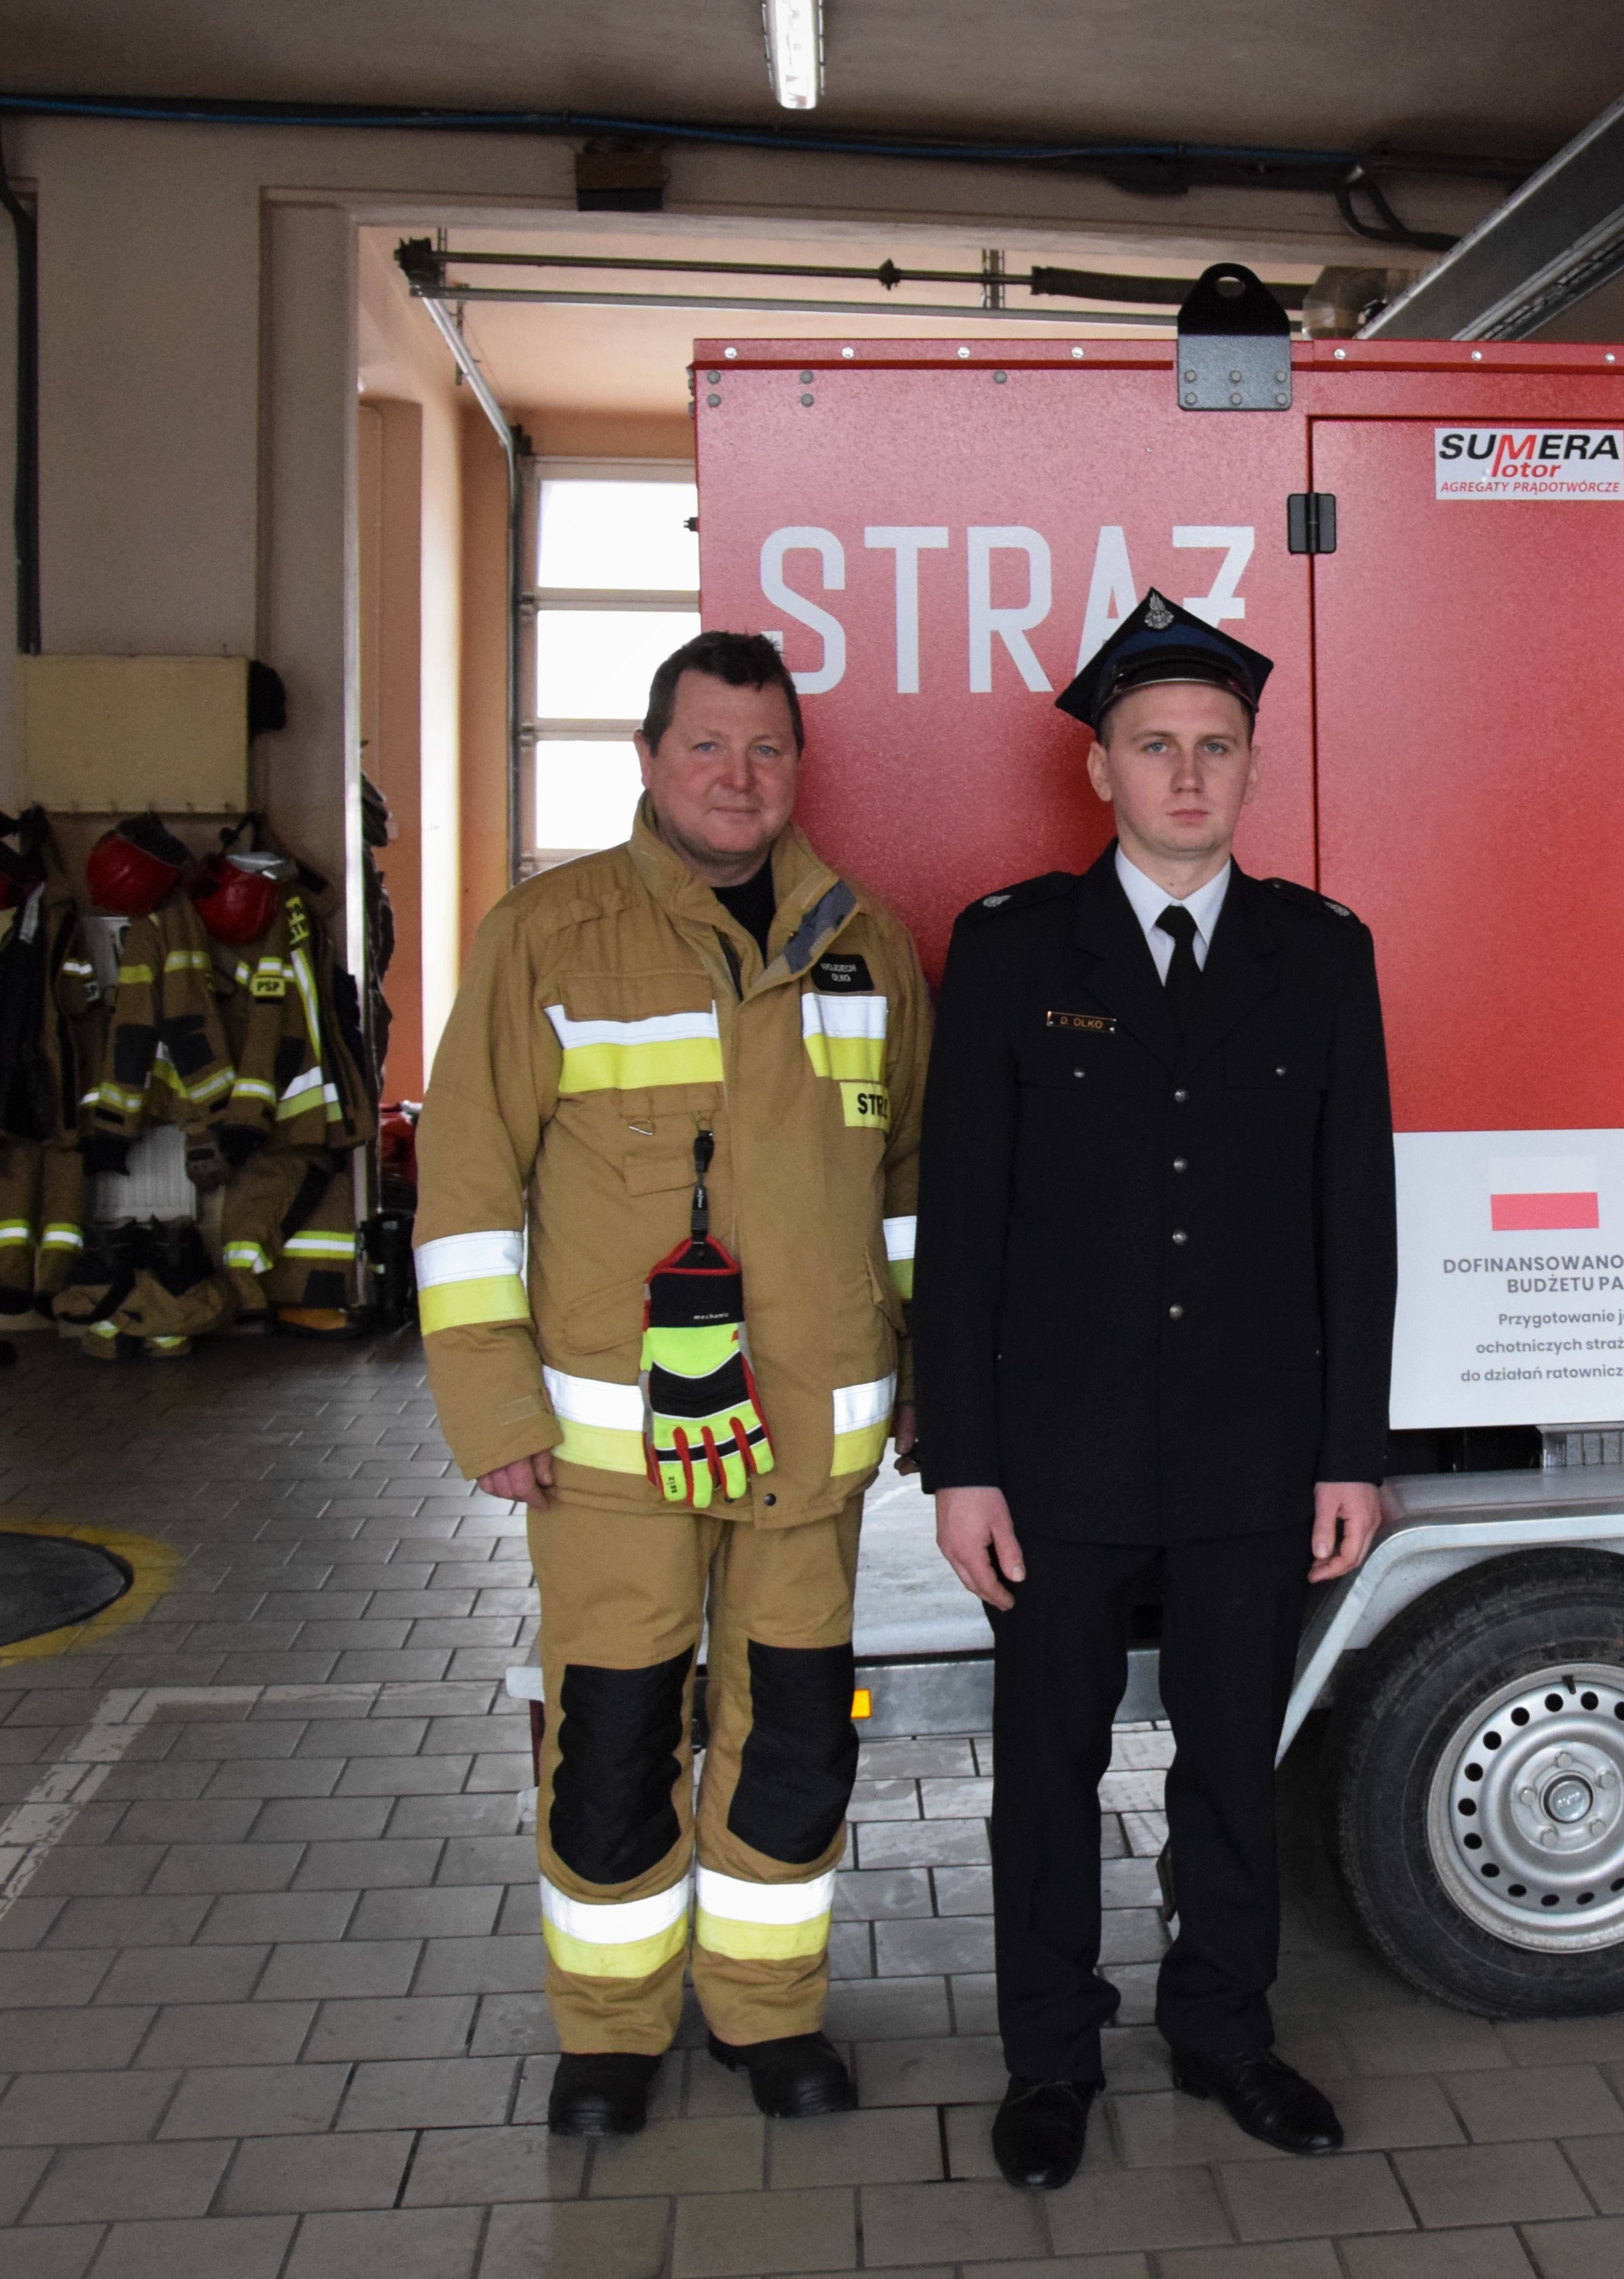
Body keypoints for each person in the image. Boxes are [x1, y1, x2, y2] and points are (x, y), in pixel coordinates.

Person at [417, 630, 929, 2138]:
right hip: (610, 1451)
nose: (736, 777)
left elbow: (908, 1186)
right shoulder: (548, 936)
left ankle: (768, 2012)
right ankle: (610, 2032)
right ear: (647, 758)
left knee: (794, 1741)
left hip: (809, 1439)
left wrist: (925, 1376)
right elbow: (465, 1188)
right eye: (706, 745)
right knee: (616, 1742)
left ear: (799, 766)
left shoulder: (867, 942)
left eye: (765, 749)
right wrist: (491, 1407)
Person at [917, 590, 1398, 2192]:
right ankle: (1049, 2058)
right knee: (1046, 1775)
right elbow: (963, 1223)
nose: (1187, 774)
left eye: (1215, 746)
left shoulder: (1320, 955)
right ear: (1099, 770)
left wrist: (1349, 1451)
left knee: (1228, 1771)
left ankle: (1224, 2034)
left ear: (1251, 766)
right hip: (1054, 1455)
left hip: (1256, 1453)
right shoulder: (1009, 951)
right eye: (1153, 746)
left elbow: (1355, 1219)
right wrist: (962, 1464)